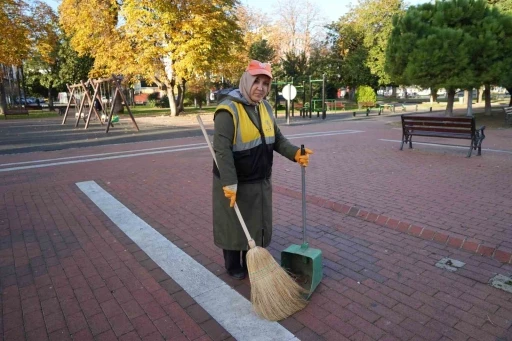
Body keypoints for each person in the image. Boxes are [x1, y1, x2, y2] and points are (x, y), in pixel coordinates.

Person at [212, 60, 313, 280]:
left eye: (266, 83)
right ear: (246, 81)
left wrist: (295, 153)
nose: (261, 87)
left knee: (256, 223)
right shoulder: (227, 111)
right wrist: (229, 183)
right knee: (234, 224)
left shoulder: (265, 107)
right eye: (256, 81)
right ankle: (233, 266)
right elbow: (222, 151)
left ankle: (252, 261)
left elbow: (276, 139)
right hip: (235, 180)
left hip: (259, 179)